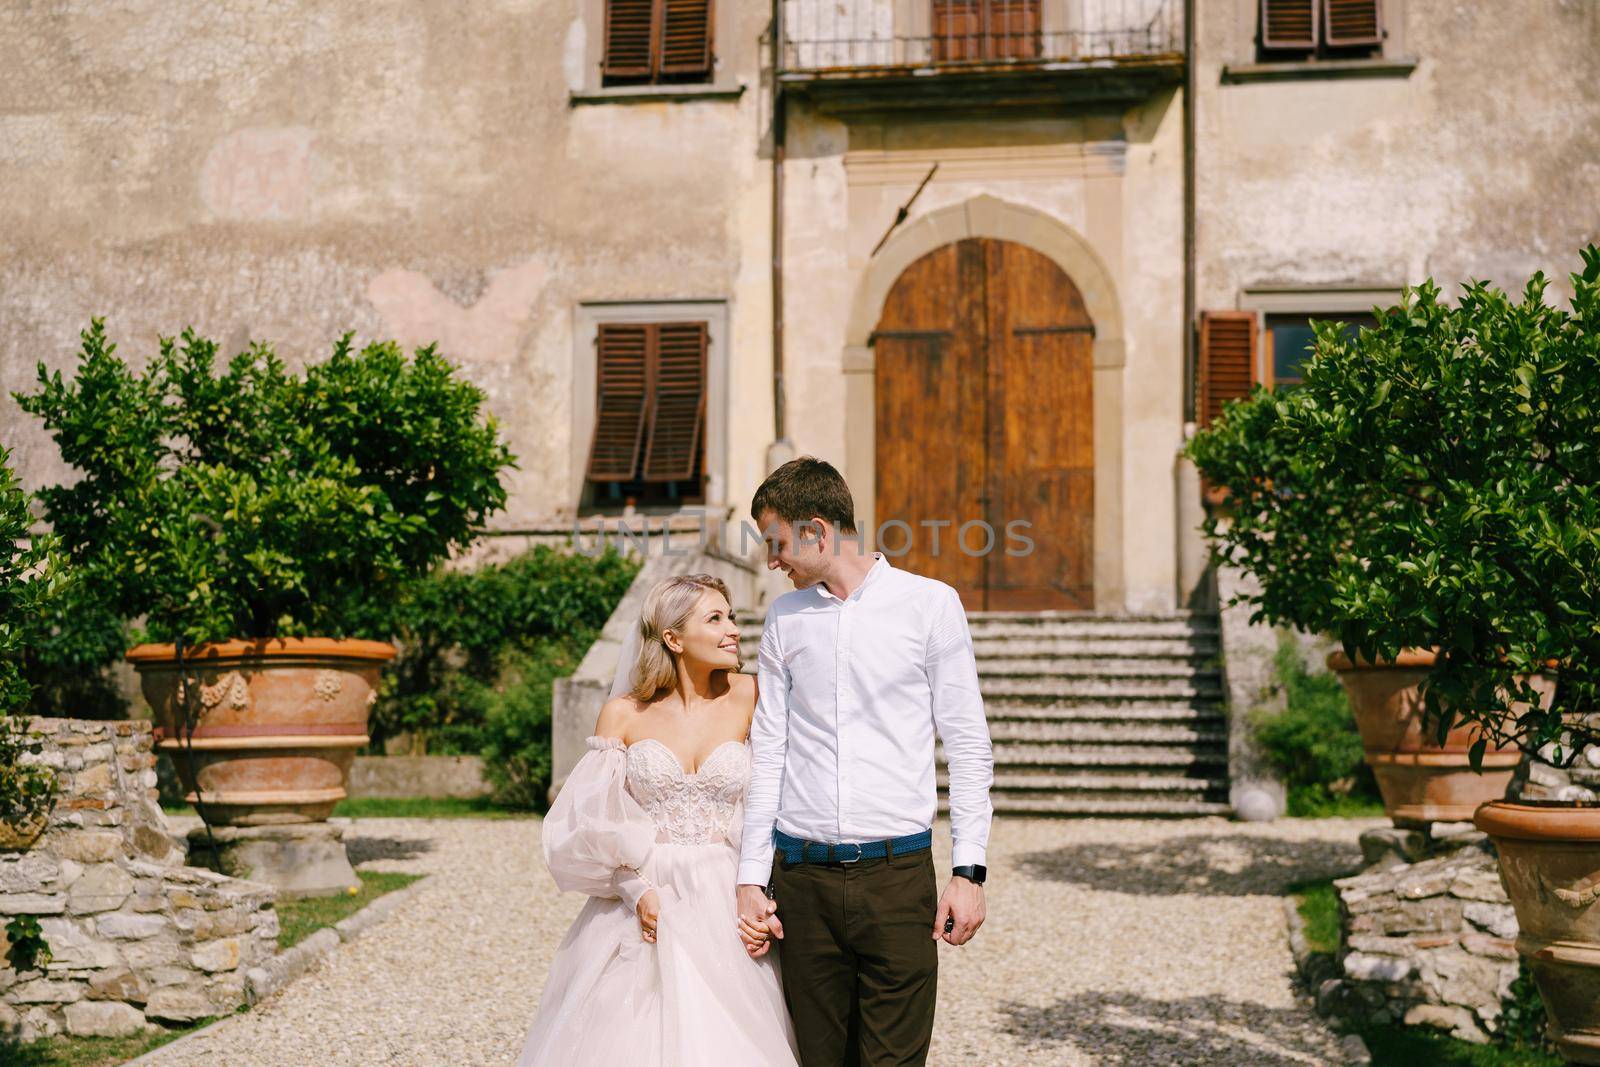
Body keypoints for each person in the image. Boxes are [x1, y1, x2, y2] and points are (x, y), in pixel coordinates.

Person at [735, 456, 995, 1067]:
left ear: (818, 533)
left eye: (777, 545)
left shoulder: (930, 605)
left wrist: (969, 871)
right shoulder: (784, 618)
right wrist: (751, 875)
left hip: (897, 881)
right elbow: (768, 746)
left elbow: (967, 742)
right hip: (802, 883)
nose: (773, 562)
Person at [516, 574, 800, 1067]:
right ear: (673, 638)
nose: (733, 629)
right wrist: (636, 891)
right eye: (715, 619)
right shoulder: (622, 714)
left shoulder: (752, 696)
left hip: (729, 893)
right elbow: (589, 824)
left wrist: (763, 889)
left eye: (730, 616)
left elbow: (782, 798)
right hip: (644, 897)